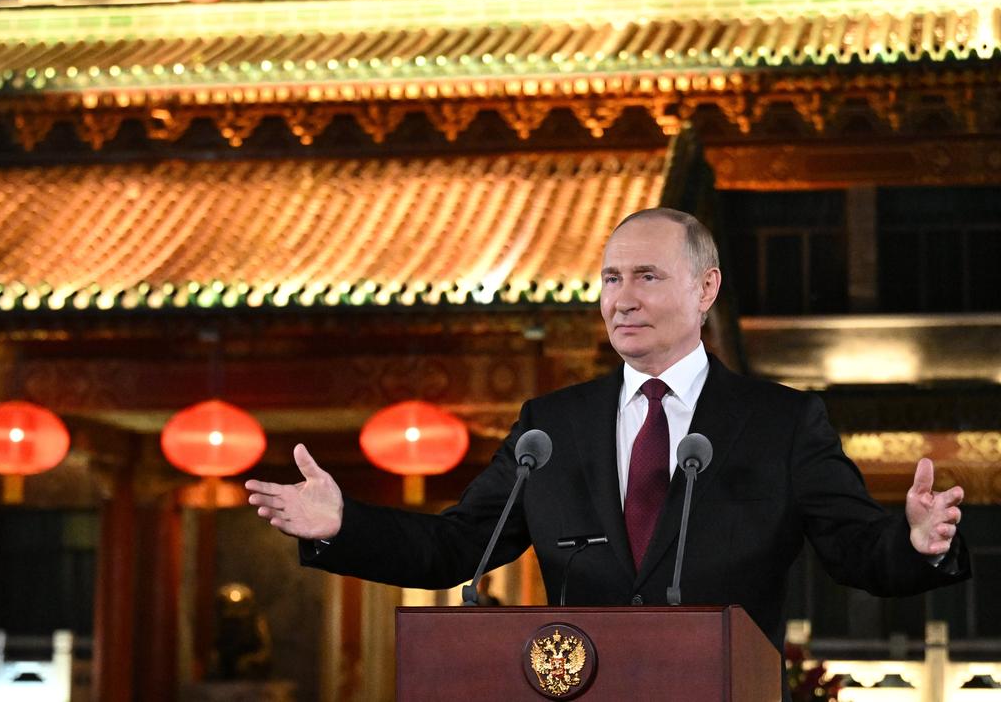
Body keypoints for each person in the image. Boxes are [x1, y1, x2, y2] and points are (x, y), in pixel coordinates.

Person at [246, 207, 969, 653]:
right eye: (610, 279)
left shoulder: (781, 422)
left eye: (647, 277)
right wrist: (340, 524)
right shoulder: (550, 429)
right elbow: (455, 547)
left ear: (705, 289)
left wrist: (913, 542)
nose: (621, 300)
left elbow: (854, 553)